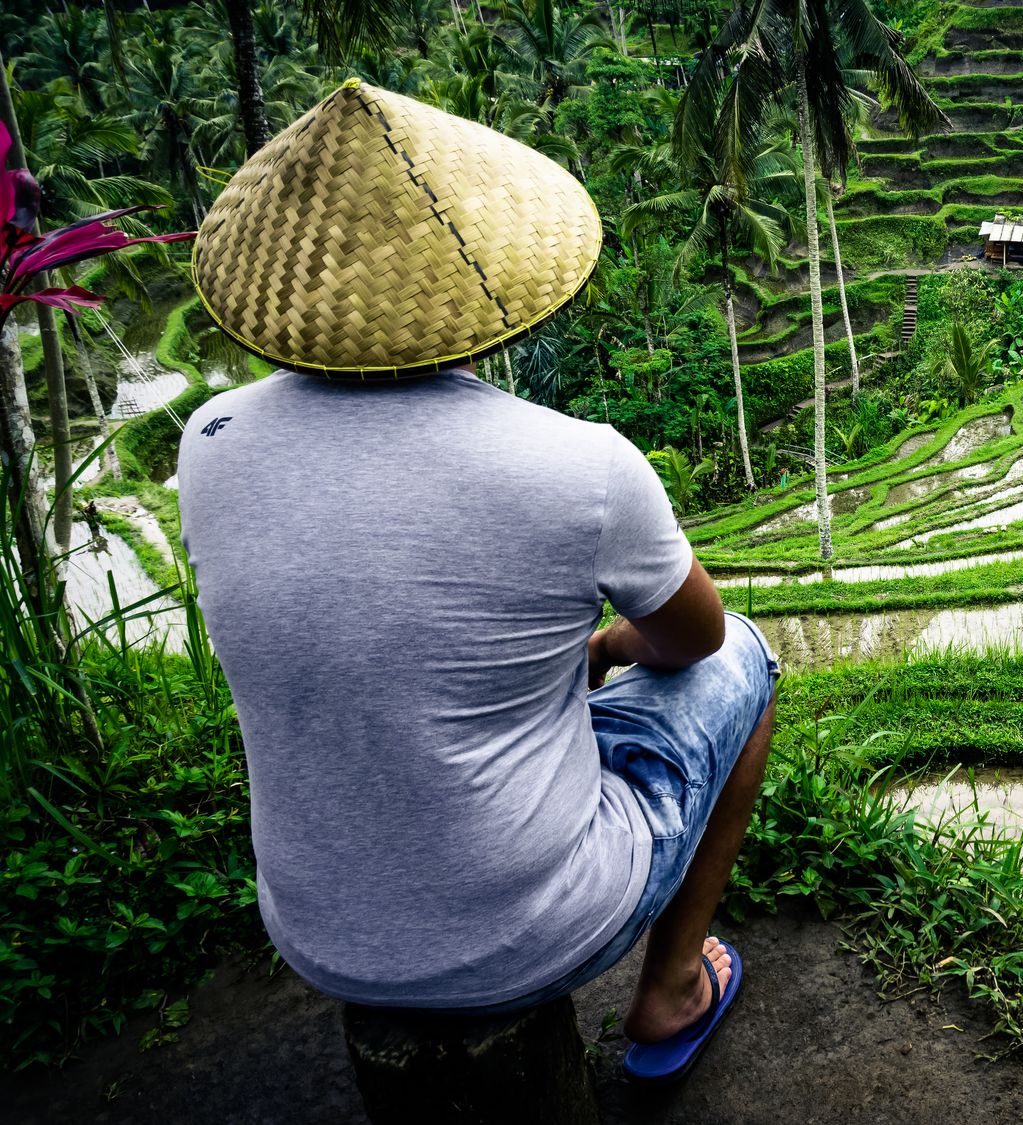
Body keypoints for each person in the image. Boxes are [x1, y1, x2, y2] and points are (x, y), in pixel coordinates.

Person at [176, 79, 772, 1083]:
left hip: (316, 935)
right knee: (744, 658)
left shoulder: (209, 440)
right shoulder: (580, 464)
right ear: (488, 270)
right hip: (530, 936)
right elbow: (693, 642)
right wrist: (602, 648)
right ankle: (670, 987)